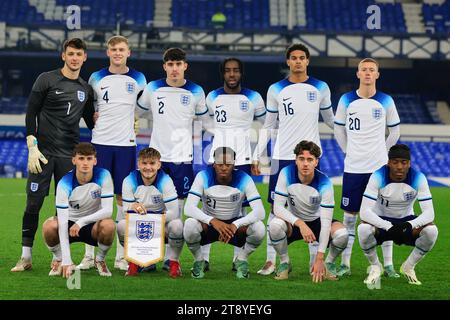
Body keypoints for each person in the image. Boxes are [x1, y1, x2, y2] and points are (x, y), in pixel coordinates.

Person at [11, 38, 95, 272]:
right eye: (71, 53)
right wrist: (31, 144)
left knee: (65, 210)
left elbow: (91, 122)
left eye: (79, 54)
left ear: (84, 57)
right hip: (43, 154)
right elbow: (31, 113)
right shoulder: (46, 79)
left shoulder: (85, 89)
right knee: (33, 204)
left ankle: (59, 257)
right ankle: (25, 257)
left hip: (69, 157)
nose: (75, 58)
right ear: (63, 56)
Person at [252, 43, 334, 275]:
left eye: (302, 57)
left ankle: (313, 262)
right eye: (293, 58)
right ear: (288, 62)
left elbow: (331, 120)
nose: (298, 61)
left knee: (313, 208)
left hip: (311, 156)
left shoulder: (321, 87)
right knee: (275, 210)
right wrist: (258, 155)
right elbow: (267, 126)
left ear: (307, 61)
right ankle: (271, 261)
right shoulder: (276, 89)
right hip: (282, 156)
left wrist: (355, 132)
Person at [137, 47, 213, 271]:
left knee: (177, 212)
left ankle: (173, 260)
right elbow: (138, 112)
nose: (174, 69)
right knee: (151, 208)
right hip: (156, 160)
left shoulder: (196, 91)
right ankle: (149, 257)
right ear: (165, 67)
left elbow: (207, 123)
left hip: (182, 160)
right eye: (170, 64)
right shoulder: (153, 87)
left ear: (185, 66)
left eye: (178, 64)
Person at [77, 35, 147, 272]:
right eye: (114, 49)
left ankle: (120, 256)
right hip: (100, 143)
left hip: (126, 145)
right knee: (94, 198)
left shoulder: (139, 79)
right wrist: (91, 119)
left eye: (122, 49)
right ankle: (89, 256)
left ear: (129, 52)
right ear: (108, 52)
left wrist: (136, 121)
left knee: (122, 199)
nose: (118, 53)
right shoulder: (96, 77)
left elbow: (142, 108)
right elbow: (87, 107)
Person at [334, 58, 401, 277]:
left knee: (383, 216)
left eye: (372, 70)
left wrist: (383, 153)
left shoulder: (386, 101)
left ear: (377, 75)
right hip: (353, 168)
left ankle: (388, 265)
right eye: (364, 69)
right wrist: (349, 152)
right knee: (350, 218)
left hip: (378, 169)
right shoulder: (346, 100)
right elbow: (338, 131)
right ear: (358, 74)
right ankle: (346, 264)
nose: (368, 73)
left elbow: (395, 132)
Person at [202, 57, 266, 272]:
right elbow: (205, 122)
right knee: (209, 206)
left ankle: (238, 260)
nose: (232, 74)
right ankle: (204, 258)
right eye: (228, 71)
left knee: (243, 209)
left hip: (244, 160)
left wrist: (257, 155)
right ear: (223, 73)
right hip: (216, 158)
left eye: (236, 70)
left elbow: (266, 126)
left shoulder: (254, 98)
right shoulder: (212, 97)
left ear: (241, 73)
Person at [358, 144, 438, 286]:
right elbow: (364, 212)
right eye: (395, 162)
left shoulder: (418, 178)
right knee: (363, 229)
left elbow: (429, 213)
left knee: (432, 231)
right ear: (388, 163)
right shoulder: (377, 176)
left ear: (409, 164)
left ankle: (408, 267)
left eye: (404, 162)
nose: (400, 167)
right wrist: (387, 226)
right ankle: (376, 267)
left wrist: (409, 225)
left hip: (406, 221)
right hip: (381, 220)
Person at [268, 140, 348, 281]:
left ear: (316, 162)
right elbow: (277, 208)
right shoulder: (286, 173)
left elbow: (325, 223)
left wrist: (320, 257)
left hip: (317, 222)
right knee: (274, 225)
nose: (305, 163)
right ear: (296, 160)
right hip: (295, 222)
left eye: (310, 159)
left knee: (342, 234)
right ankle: (285, 263)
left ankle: (328, 263)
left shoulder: (325, 183)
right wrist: (300, 223)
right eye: (301, 159)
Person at [183, 147, 265, 279]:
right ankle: (199, 260)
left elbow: (260, 211)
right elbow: (188, 208)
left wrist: (236, 224)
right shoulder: (203, 176)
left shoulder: (244, 178)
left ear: (234, 164)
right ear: (214, 163)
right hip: (210, 226)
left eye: (228, 164)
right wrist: (212, 221)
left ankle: (241, 259)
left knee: (259, 228)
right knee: (189, 225)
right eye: (220, 164)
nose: (224, 168)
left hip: (233, 228)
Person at [41, 142, 115, 278]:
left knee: (109, 225)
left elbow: (108, 211)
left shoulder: (104, 176)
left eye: (89, 158)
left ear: (95, 160)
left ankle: (99, 259)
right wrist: (67, 259)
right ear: (74, 160)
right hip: (69, 223)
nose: (85, 163)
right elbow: (63, 222)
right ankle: (59, 259)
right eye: (81, 158)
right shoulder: (64, 183)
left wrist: (81, 222)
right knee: (49, 226)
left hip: (91, 224)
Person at [117, 147, 184, 278]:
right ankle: (134, 261)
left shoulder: (166, 181)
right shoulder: (129, 180)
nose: (148, 167)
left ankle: (174, 262)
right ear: (138, 164)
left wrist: (150, 218)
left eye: (152, 163)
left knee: (177, 225)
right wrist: (132, 207)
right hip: (139, 226)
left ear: (159, 164)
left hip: (160, 225)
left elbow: (174, 212)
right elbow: (125, 210)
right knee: (120, 225)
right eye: (144, 163)